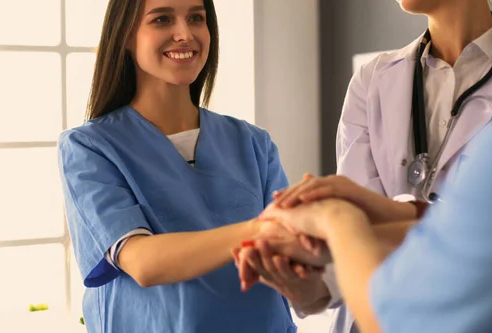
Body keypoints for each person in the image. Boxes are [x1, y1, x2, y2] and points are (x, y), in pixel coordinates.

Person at [242, 1, 492, 332]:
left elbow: (483, 239)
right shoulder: (371, 80)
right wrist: (310, 285)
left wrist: (336, 221)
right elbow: (356, 242)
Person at [57, 0, 308, 332]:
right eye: (162, 19)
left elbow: (294, 256)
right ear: (125, 36)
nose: (184, 34)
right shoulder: (90, 148)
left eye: (196, 18)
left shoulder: (253, 143)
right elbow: (143, 263)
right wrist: (259, 230)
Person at [252, 105, 492, 333]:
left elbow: (394, 317)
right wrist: (399, 211)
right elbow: (468, 232)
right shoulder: (373, 78)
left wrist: (337, 219)